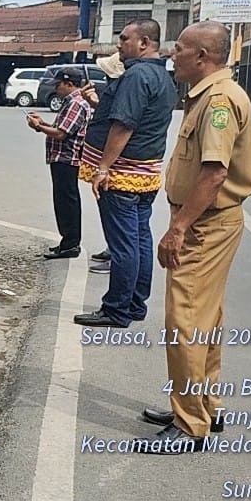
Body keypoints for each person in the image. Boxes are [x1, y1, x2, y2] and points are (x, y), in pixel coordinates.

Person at [136, 21, 251, 454]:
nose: (173, 54)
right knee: (205, 319)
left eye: (181, 48)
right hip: (211, 220)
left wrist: (179, 227)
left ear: (202, 57)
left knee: (184, 320)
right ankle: (204, 404)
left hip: (205, 224)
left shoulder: (219, 101)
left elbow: (214, 172)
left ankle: (190, 425)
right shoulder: (208, 96)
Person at [74, 19, 176, 328]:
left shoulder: (137, 76)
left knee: (123, 245)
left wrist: (102, 168)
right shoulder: (162, 77)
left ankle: (116, 308)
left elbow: (124, 124)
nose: (119, 45)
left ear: (144, 43)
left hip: (123, 174)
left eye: (125, 39)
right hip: (146, 173)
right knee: (140, 238)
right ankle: (134, 304)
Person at [26, 67, 92, 259]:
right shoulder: (72, 102)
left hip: (67, 158)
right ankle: (67, 242)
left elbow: (62, 134)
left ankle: (71, 243)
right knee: (63, 201)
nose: (56, 89)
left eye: (58, 85)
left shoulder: (76, 104)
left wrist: (40, 127)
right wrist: (42, 125)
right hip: (62, 158)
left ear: (69, 84)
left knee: (67, 201)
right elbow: (59, 128)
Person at [82, 52, 126, 273]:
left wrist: (103, 167)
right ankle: (112, 251)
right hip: (104, 164)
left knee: (119, 224)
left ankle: (116, 260)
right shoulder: (113, 93)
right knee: (111, 220)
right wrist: (94, 103)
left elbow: (119, 127)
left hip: (113, 169)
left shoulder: (123, 92)